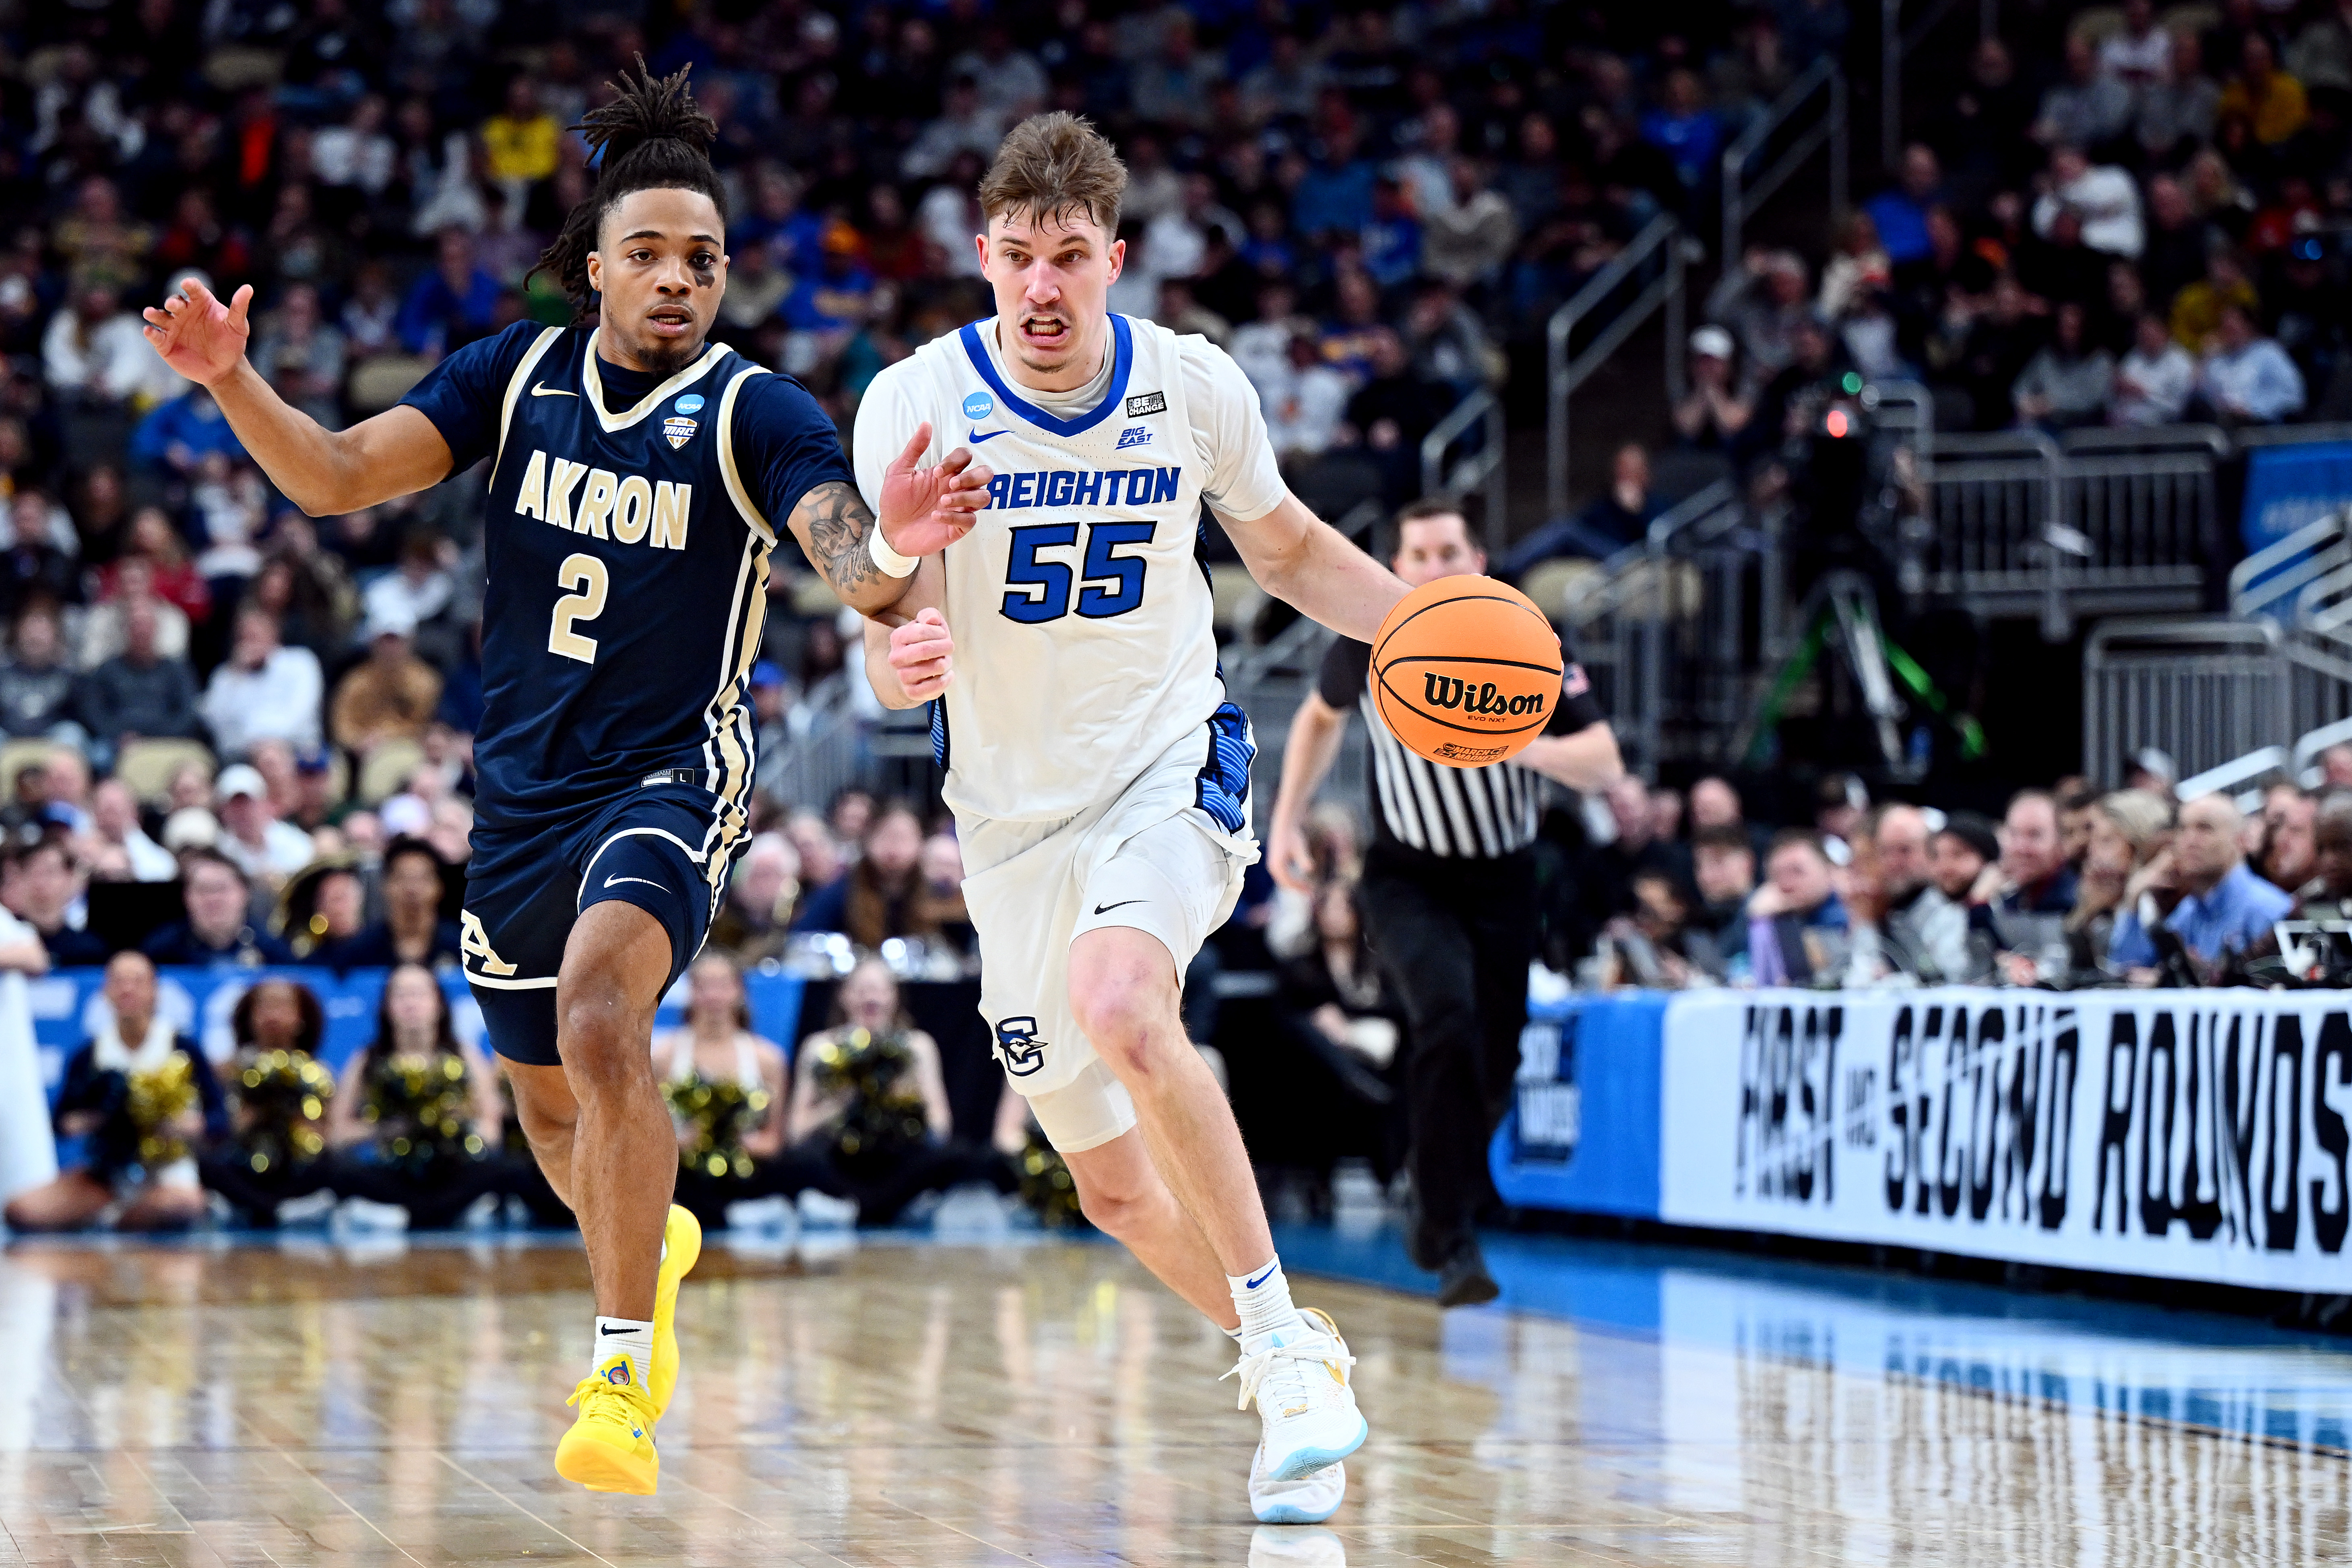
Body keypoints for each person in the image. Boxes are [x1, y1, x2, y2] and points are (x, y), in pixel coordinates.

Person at [138, 61, 960, 1496]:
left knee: (599, 1016)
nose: (675, 281)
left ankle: (623, 1374)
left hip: (667, 776)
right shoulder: (513, 376)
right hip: (517, 797)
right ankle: (652, 1232)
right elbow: (334, 475)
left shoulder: (755, 414)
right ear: (592, 268)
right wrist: (230, 382)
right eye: (645, 254)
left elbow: (850, 557)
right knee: (554, 1125)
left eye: (701, 260)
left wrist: (889, 558)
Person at [855, 113, 1412, 1523]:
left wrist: (1424, 626)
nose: (1045, 287)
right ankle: (1293, 1361)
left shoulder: (1188, 384)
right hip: (1008, 824)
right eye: (1019, 258)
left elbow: (1280, 546)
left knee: (1121, 996)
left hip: (1169, 757)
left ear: (1116, 257)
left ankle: (1281, 1337)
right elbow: (884, 613)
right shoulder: (914, 403)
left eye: (1071, 259)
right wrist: (899, 652)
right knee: (1106, 1192)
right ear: (981, 258)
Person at [1262, 497, 1620, 1304]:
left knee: (1495, 1060)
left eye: (1448, 549)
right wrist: (1285, 819)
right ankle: (1443, 1221)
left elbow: (1603, 761)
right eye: (1417, 554)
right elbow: (1319, 721)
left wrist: (1517, 736)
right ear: (1396, 567)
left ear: (1479, 557)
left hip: (1504, 878)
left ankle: (1441, 1190)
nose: (1433, 566)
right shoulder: (1370, 635)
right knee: (1444, 1019)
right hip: (1406, 875)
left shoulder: (1527, 644)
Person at [3, 951, 227, 1233]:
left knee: (182, 1205)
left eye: (137, 981)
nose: (127, 989)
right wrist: (97, 1118)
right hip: (108, 1172)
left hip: (167, 1168)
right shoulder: (90, 1054)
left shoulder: (182, 1047)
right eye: (118, 981)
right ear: (106, 992)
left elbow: (220, 1117)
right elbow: (61, 1122)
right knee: (21, 1210)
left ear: (155, 991)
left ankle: (121, 1216)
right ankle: (114, 1211)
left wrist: (191, 1125)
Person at [779, 956, 1000, 1223]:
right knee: (797, 1164)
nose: (871, 999)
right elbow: (795, 1133)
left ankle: (902, 1204)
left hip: (898, 1158)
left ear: (894, 997)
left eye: (880, 990)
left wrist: (901, 1100)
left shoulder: (917, 1046)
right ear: (844, 996)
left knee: (962, 1156)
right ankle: (842, 1205)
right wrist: (842, 1103)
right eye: (861, 990)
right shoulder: (820, 1048)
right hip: (841, 1159)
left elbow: (940, 1129)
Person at [324, 963, 510, 1227]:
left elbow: (492, 1131)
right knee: (338, 1171)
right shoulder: (369, 1059)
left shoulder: (463, 1054)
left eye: (420, 994)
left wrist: (450, 1125)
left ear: (439, 1004)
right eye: (401, 995)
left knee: (507, 1169)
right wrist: (386, 1129)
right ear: (386, 1006)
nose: (411, 1003)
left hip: (450, 1166)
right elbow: (337, 1134)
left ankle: (416, 1211)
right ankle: (432, 1210)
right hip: (394, 1169)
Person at [657, 953, 793, 1229]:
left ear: (739, 991)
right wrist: (681, 1143)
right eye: (703, 986)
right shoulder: (662, 1056)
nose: (713, 996)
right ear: (690, 992)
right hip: (683, 1172)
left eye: (722, 985)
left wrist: (746, 1145)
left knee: (798, 1167)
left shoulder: (768, 1059)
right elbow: (646, 1134)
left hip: (745, 1173)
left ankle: (742, 1211)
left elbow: (775, 1139)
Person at [196, 977, 340, 1226]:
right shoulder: (225, 1071)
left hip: (296, 1170)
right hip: (244, 1166)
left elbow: (327, 1136)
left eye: (284, 1007)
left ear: (301, 1019)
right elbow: (217, 1133)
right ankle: (272, 1209)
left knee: (338, 1167)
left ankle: (264, 1208)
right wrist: (252, 1114)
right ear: (248, 1018)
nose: (273, 1016)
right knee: (203, 1165)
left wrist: (294, 1119)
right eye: (264, 1007)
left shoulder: (319, 1074)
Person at [2110, 793, 2292, 974]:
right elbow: (2127, 968)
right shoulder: (2190, 909)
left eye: (2205, 828)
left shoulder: (2268, 910)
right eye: (2182, 829)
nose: (2189, 841)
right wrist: (2133, 897)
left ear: (2241, 840)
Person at [142, 848, 293, 967]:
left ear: (244, 894)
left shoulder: (271, 950)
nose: (213, 899)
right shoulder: (162, 948)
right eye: (203, 890)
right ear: (187, 897)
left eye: (221, 889)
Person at [3, 836, 108, 965]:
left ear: (69, 878)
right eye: (32, 872)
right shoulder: (6, 935)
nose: (40, 883)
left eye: (49, 872)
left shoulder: (90, 949)